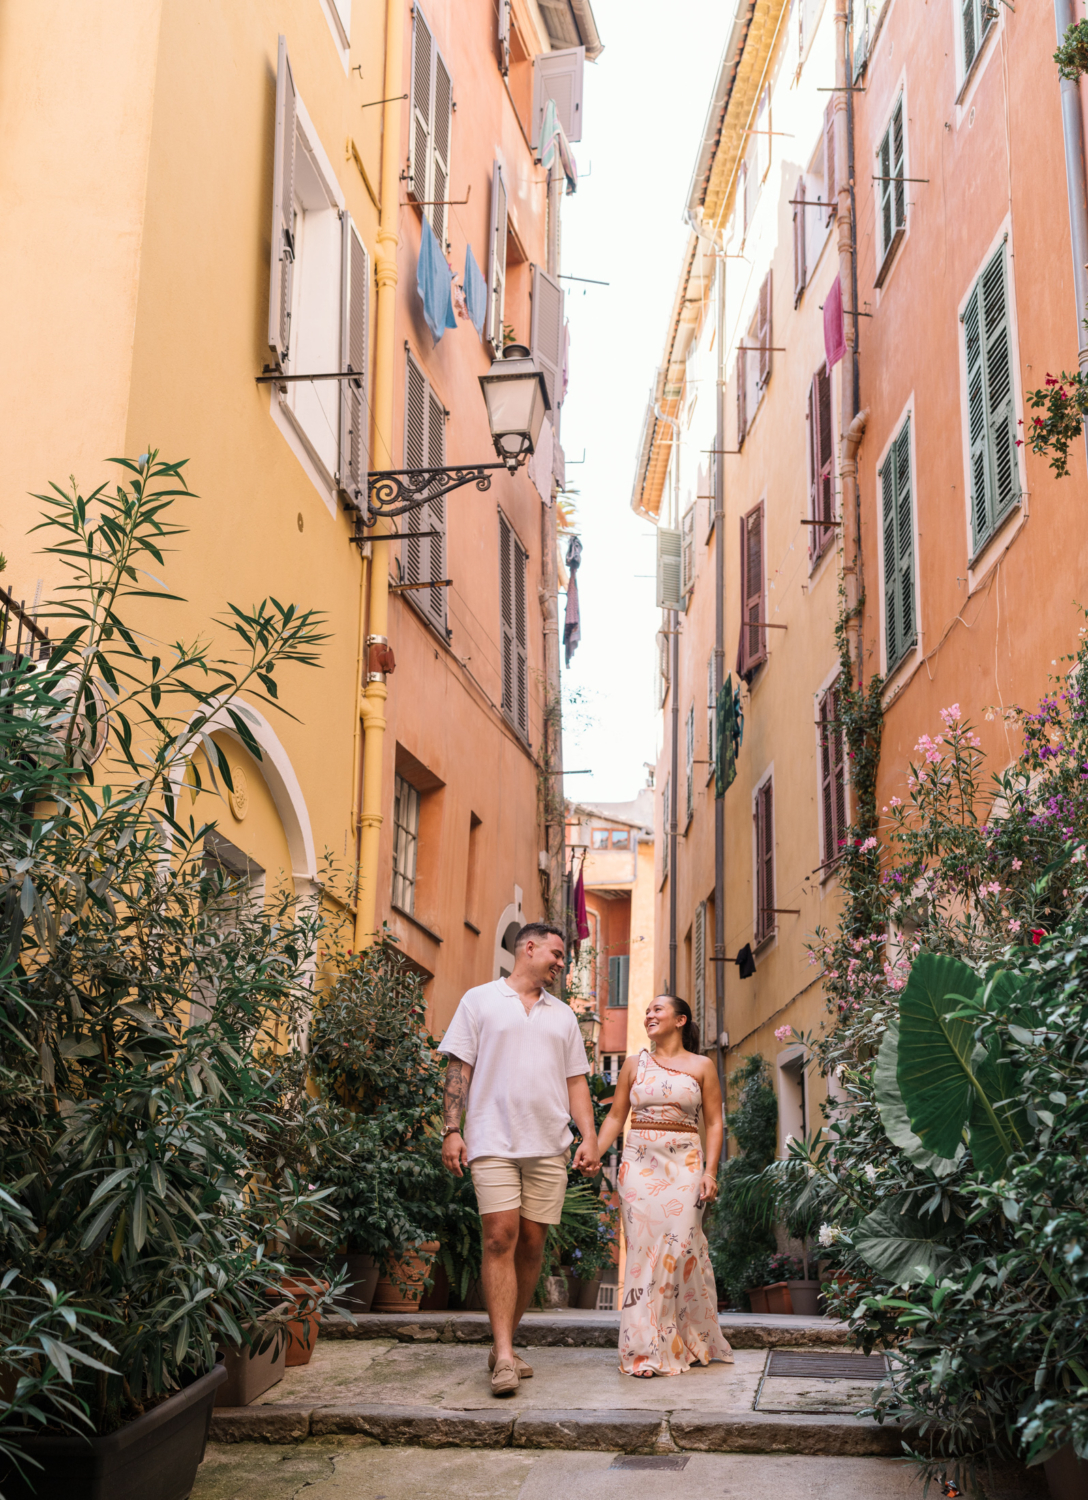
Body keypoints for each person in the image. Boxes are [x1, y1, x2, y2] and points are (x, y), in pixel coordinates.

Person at [439, 923, 600, 1397]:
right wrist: (452, 1129)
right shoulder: (479, 1000)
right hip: (491, 1139)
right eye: (555, 953)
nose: (560, 963)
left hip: (549, 1144)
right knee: (499, 1238)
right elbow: (458, 1068)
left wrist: (588, 1136)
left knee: (532, 1244)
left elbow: (576, 1083)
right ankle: (505, 1355)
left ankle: (504, 1341)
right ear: (528, 948)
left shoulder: (564, 1016)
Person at [596, 994, 733, 1377]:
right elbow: (616, 1117)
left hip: (685, 1168)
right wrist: (594, 1150)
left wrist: (710, 1172)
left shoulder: (702, 1066)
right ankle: (642, 1350)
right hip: (639, 1166)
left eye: (658, 1009)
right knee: (641, 1254)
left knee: (680, 1249)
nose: (649, 1013)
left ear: (680, 1019)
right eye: (647, 1010)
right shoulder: (633, 1064)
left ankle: (683, 1338)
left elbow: (715, 1123)